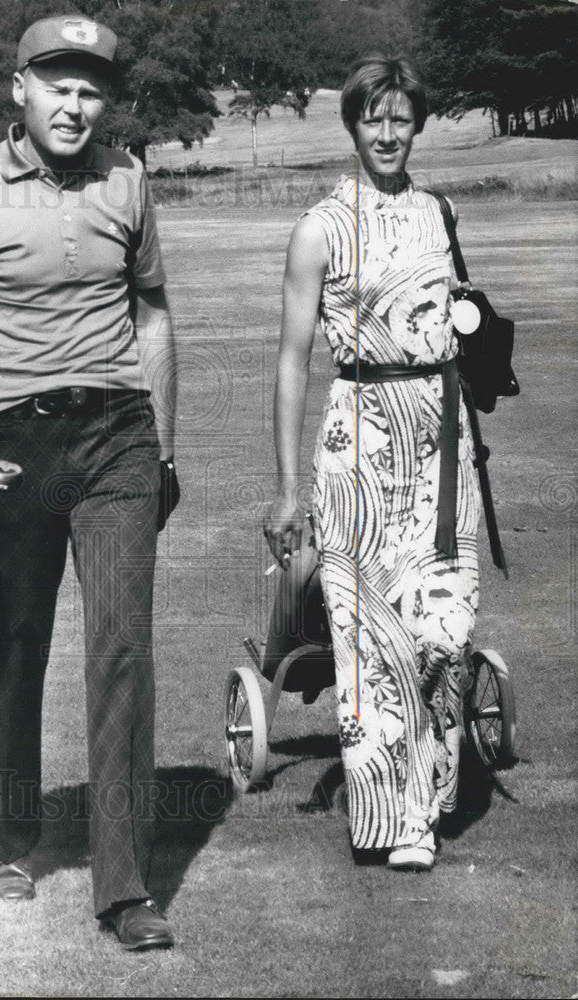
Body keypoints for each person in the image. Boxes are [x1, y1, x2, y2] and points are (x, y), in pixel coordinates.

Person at [0, 14, 179, 950]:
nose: (75, 103)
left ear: (108, 99)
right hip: (8, 444)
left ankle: (126, 883)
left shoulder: (129, 180)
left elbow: (152, 315)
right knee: (17, 642)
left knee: (122, 651)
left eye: (92, 87)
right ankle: (11, 839)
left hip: (116, 437)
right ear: (19, 87)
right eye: (57, 83)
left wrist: (166, 448)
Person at [264, 56, 481, 872]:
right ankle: (397, 821)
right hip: (356, 448)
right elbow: (292, 360)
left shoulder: (442, 212)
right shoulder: (319, 227)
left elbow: (460, 316)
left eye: (401, 118)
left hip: (442, 444)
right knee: (368, 643)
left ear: (417, 123)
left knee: (444, 632)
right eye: (372, 118)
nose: (388, 133)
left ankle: (431, 792)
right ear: (352, 124)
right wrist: (289, 487)